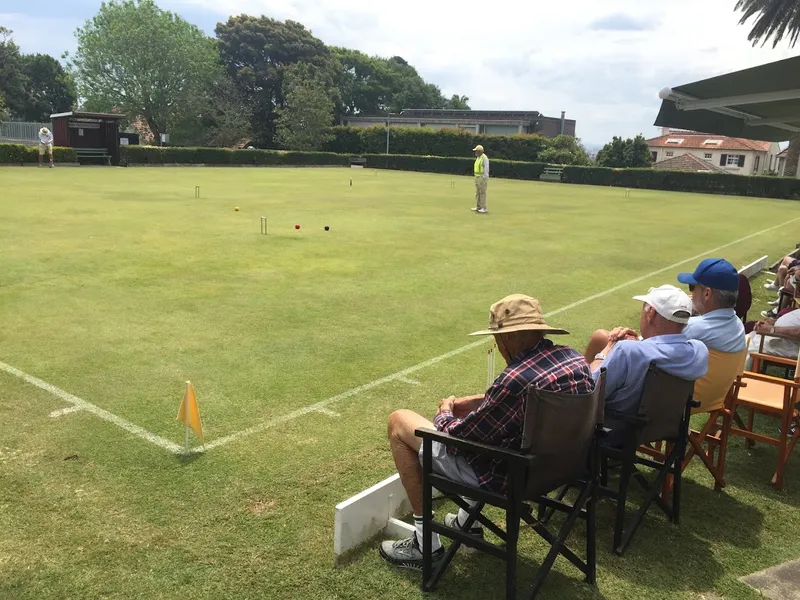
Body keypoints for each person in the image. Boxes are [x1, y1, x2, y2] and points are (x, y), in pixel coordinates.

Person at [380, 294, 594, 570]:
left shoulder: (515, 380)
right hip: (560, 469)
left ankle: (425, 543)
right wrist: (483, 401)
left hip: (510, 477)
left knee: (399, 421)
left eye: (498, 337)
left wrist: (445, 410)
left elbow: (462, 438)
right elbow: (531, 399)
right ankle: (466, 522)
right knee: (497, 435)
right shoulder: (573, 360)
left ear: (510, 338)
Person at [585, 285, 708, 436]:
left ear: (651, 313)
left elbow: (588, 392)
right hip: (662, 428)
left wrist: (608, 348)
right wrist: (641, 344)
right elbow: (661, 351)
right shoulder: (699, 351)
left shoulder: (627, 351)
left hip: (615, 430)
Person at [676, 258, 746, 353]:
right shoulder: (739, 325)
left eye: (692, 287)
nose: (692, 293)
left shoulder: (691, 328)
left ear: (707, 294)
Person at [471, 144, 489, 214]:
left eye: (476, 151)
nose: (475, 152)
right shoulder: (478, 157)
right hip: (477, 177)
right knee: (477, 193)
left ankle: (484, 208)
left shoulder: (484, 158)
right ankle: (478, 207)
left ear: (480, 151)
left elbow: (486, 168)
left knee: (482, 193)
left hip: (482, 178)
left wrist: (484, 177)